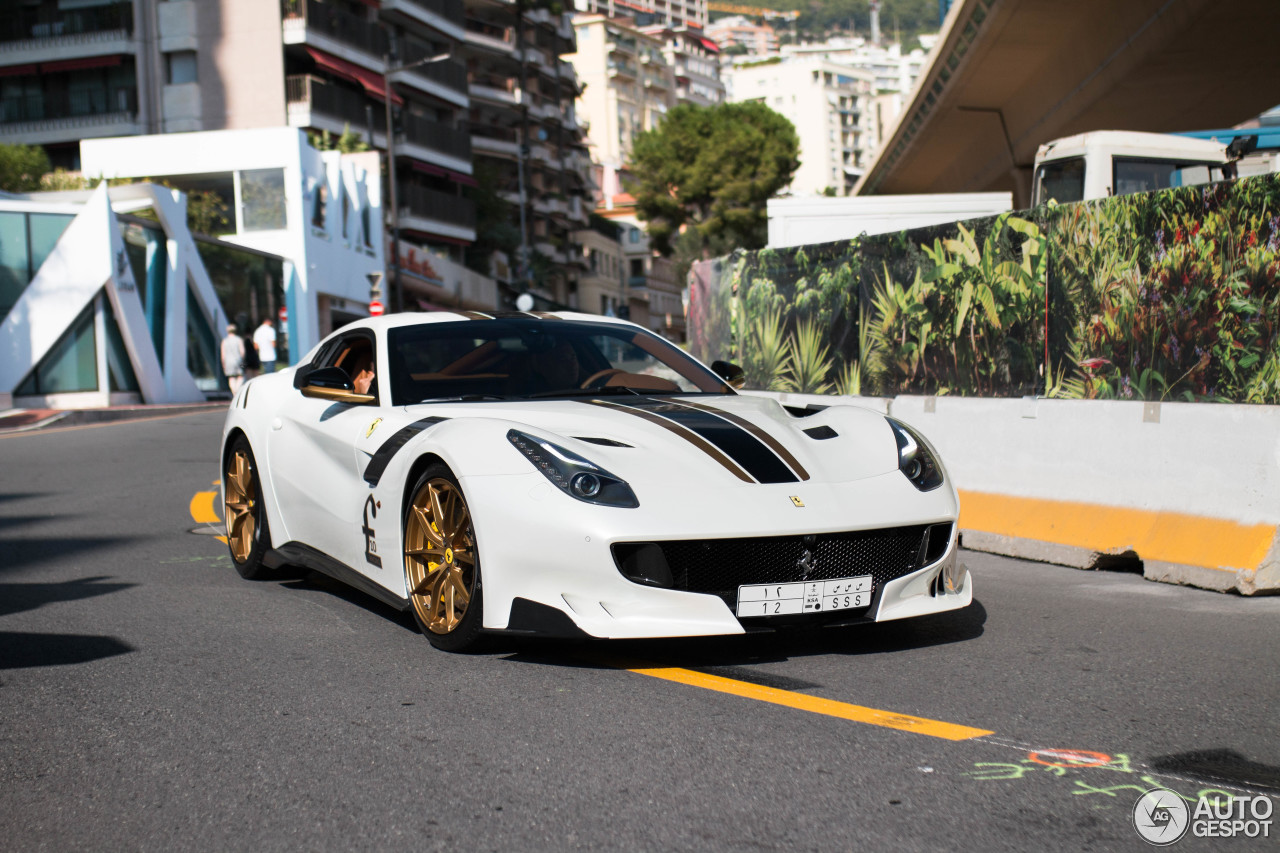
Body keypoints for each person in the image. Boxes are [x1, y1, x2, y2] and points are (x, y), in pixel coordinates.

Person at [220, 324, 245, 394]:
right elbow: (242, 352)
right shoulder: (238, 339)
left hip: (228, 361)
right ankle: (237, 389)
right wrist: (243, 361)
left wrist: (223, 364)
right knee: (240, 376)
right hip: (238, 360)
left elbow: (223, 354)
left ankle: (234, 392)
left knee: (231, 377)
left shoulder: (224, 341)